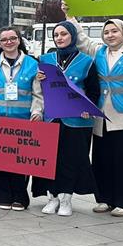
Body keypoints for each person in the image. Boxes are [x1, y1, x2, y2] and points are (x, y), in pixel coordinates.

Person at [64, 0, 123, 216]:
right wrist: (69, 16)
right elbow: (82, 39)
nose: (110, 35)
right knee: (101, 157)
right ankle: (104, 198)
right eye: (106, 32)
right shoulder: (99, 52)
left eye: (114, 31)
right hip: (101, 113)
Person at [33, 21, 100, 217]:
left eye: (64, 34)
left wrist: (89, 108)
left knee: (71, 159)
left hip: (76, 119)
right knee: (49, 159)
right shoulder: (45, 60)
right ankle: (52, 197)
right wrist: (37, 79)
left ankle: (66, 199)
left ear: (72, 36)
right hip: (51, 118)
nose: (59, 38)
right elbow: (35, 89)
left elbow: (94, 91)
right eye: (56, 35)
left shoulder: (86, 61)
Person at [0, 27, 44, 210]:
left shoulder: (32, 63)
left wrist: (37, 111)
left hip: (23, 121)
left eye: (12, 38)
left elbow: (37, 93)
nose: (9, 42)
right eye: (4, 39)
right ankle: (3, 196)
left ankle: (20, 197)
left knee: (21, 162)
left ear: (19, 40)